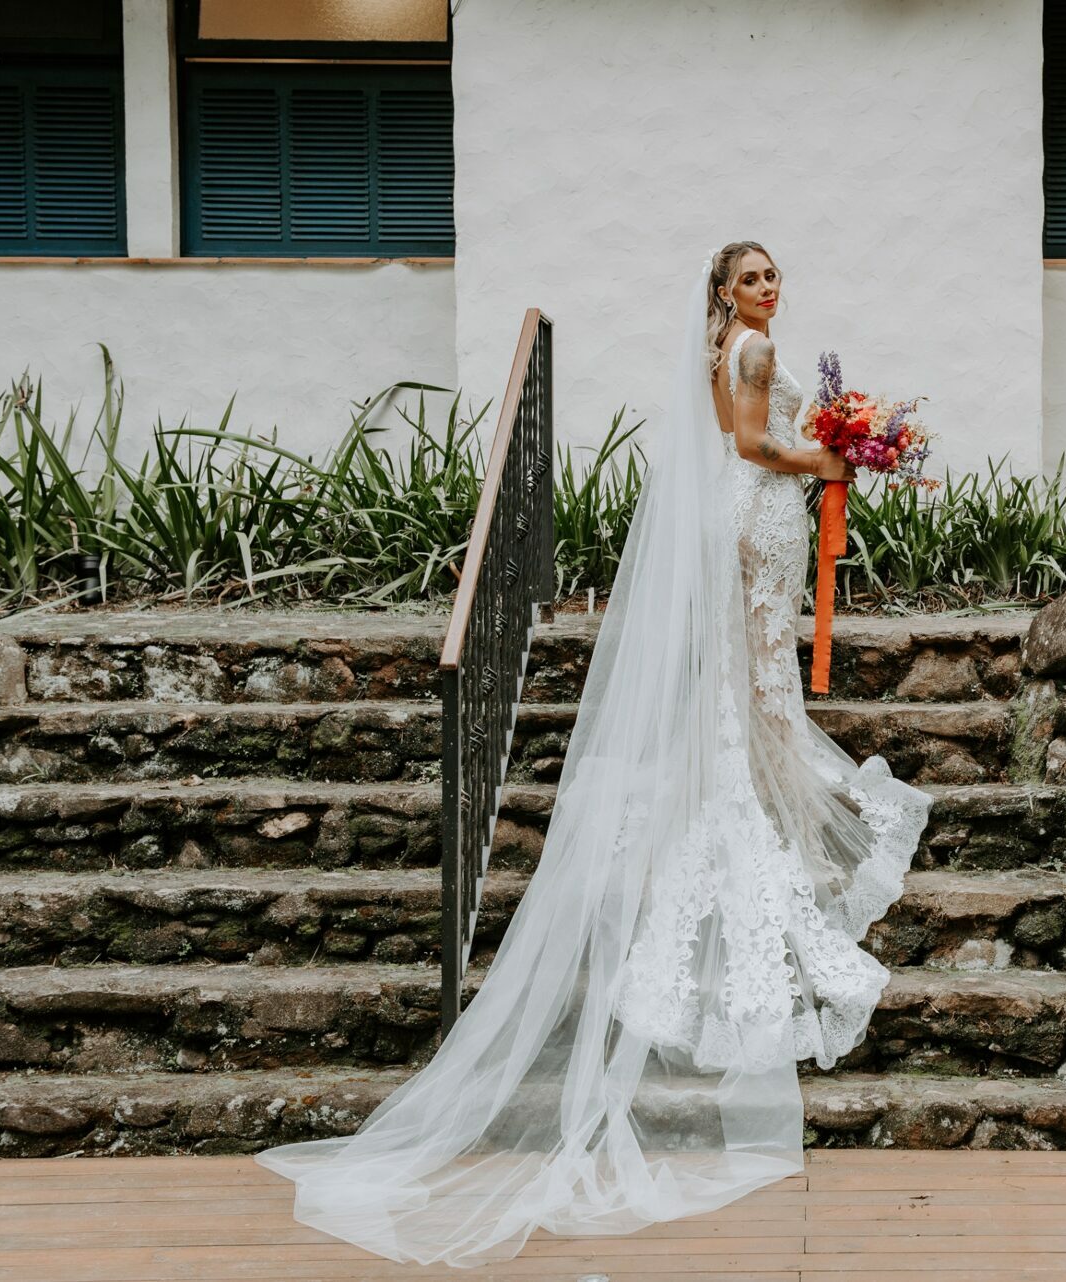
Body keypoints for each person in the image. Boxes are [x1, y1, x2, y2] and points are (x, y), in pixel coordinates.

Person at [251, 242, 933, 1267]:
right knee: (763, 683)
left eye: (774, 275)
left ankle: (769, 791)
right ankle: (785, 805)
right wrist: (831, 456)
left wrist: (836, 445)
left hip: (762, 525)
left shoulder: (733, 345)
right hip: (763, 517)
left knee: (759, 684)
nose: (768, 289)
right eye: (751, 278)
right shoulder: (752, 351)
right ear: (723, 291)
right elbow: (752, 447)